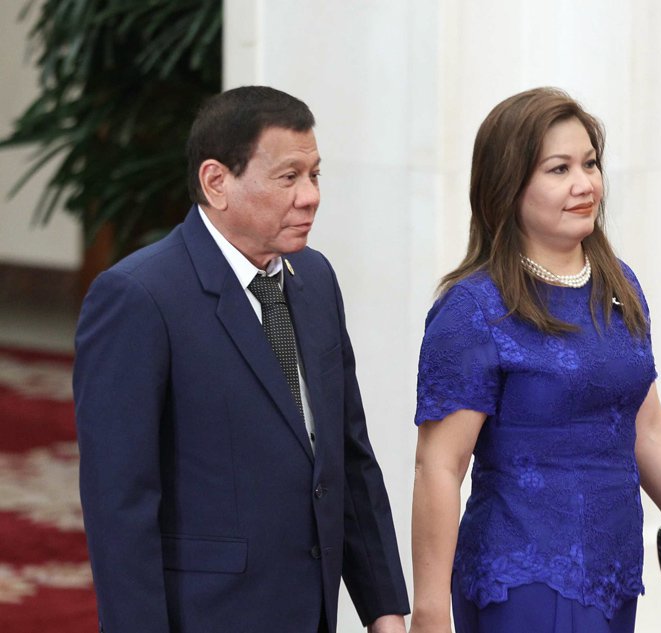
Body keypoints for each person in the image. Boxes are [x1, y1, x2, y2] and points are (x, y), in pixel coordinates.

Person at [73, 86, 410, 633]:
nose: (310, 196)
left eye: (316, 175)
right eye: (288, 177)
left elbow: (346, 458)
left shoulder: (316, 279)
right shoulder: (139, 297)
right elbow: (120, 506)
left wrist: (384, 609)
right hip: (207, 615)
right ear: (216, 182)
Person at [409, 87, 661, 633]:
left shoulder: (619, 284)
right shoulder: (473, 309)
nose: (585, 185)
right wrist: (431, 613)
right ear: (508, 186)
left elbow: (647, 428)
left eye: (590, 163)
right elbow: (439, 466)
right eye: (559, 169)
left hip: (614, 570)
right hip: (523, 575)